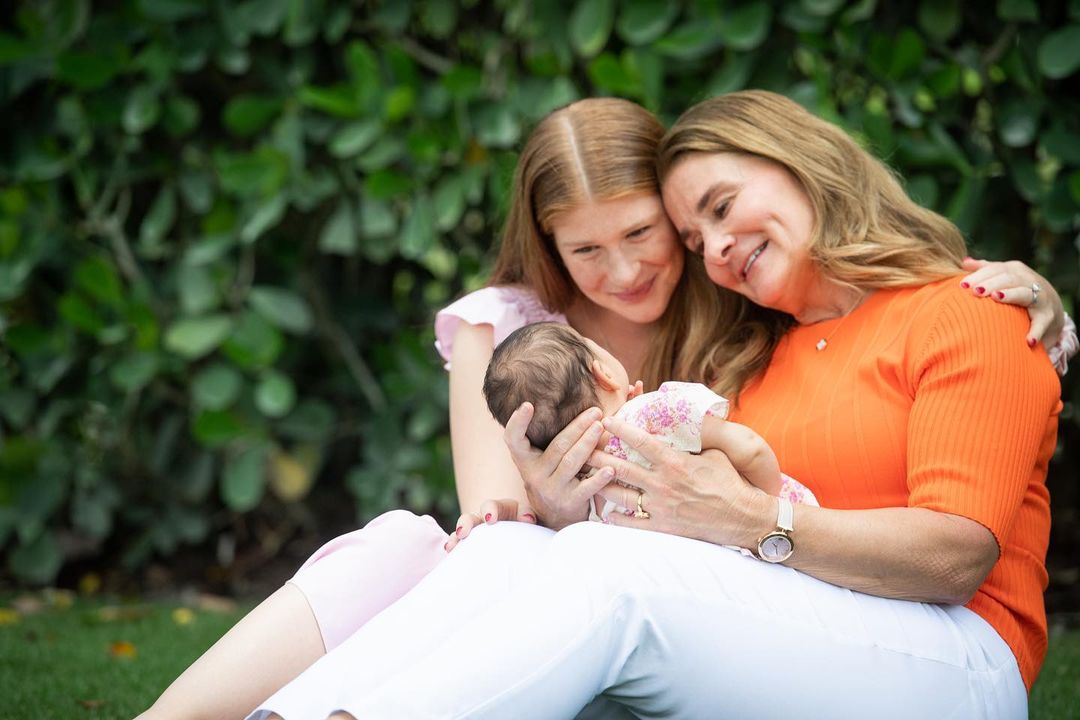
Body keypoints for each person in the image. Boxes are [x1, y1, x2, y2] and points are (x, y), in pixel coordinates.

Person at [140, 96, 1075, 720]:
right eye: (698, 234)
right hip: (809, 620)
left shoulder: (968, 312)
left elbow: (958, 557)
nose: (712, 249)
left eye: (719, 207)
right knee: (511, 543)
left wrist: (759, 523)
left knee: (611, 577)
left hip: (959, 661)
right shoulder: (751, 351)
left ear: (803, 163)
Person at [482, 321, 815, 517]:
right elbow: (749, 447)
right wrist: (769, 499)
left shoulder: (579, 483)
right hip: (759, 528)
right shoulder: (659, 410)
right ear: (605, 373)